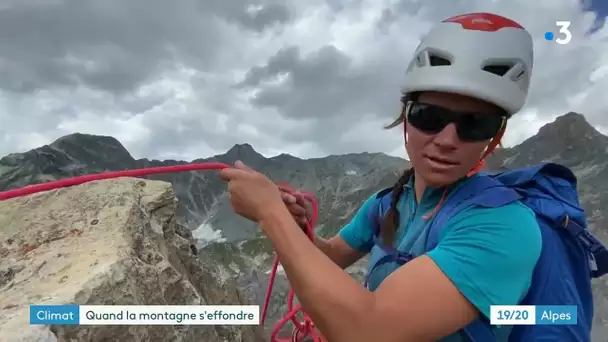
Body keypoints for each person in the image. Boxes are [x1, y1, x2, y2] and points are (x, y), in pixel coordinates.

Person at [220, 12, 542, 342]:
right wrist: (298, 227)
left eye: (476, 124)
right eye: (429, 116)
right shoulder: (389, 203)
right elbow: (331, 255)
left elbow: (370, 331)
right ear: (405, 117)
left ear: (495, 137)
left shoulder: (504, 225)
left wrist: (270, 214)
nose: (447, 140)